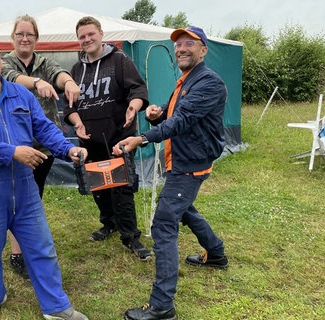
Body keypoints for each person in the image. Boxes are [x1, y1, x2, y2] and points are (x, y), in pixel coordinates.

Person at [0, 37, 89, 320]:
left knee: (42, 247)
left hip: (25, 187)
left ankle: (56, 307)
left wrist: (68, 148)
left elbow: (44, 128)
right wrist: (12, 152)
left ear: (1, 60)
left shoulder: (22, 95)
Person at [114, 26, 229, 320]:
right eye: (178, 44)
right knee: (183, 207)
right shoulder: (187, 80)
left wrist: (142, 137)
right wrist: (158, 112)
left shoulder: (209, 83)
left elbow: (183, 120)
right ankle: (215, 253)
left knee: (164, 224)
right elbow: (175, 112)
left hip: (189, 164)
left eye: (189, 43)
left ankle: (162, 305)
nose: (181, 48)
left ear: (203, 49)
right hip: (180, 161)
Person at [63, 16, 151, 261]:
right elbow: (69, 106)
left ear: (101, 34)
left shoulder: (120, 60)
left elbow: (138, 90)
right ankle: (109, 223)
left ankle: (131, 236)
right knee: (98, 186)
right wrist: (77, 124)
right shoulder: (76, 70)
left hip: (119, 138)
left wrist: (133, 107)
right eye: (82, 36)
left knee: (121, 187)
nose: (87, 39)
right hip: (90, 140)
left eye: (91, 34)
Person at [1, 14, 81, 279]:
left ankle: (29, 247)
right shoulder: (2, 62)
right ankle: (16, 254)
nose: (25, 38)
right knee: (16, 200)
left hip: (44, 147)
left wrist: (68, 83)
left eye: (30, 35)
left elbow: (59, 73)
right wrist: (37, 83)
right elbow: (11, 78)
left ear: (36, 39)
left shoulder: (44, 62)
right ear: (13, 38)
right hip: (17, 147)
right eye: (20, 34)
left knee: (34, 198)